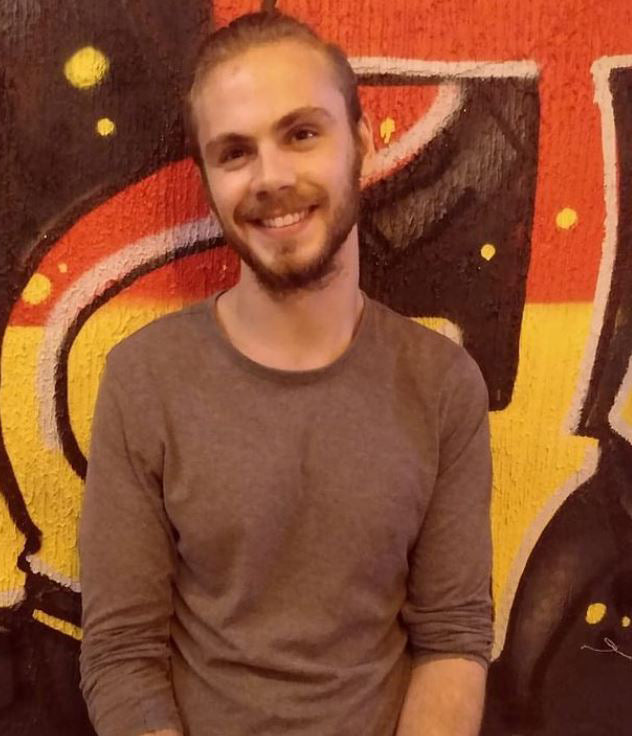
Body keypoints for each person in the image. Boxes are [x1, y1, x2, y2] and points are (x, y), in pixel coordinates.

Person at [79, 10, 493, 736]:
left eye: (302, 134)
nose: (271, 177)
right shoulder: (145, 381)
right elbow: (121, 655)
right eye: (235, 152)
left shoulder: (443, 385)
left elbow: (453, 640)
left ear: (362, 140)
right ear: (209, 179)